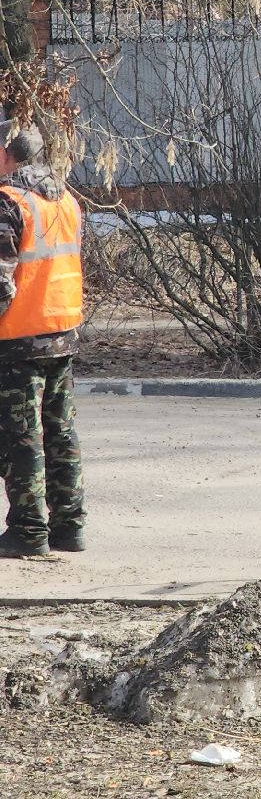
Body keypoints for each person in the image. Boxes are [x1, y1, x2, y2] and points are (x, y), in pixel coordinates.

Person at [0, 120, 84, 558]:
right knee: (60, 431)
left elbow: (1, 282)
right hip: (62, 332)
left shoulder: (9, 202)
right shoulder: (65, 199)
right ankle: (69, 527)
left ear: (7, 156)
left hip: (18, 338)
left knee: (22, 437)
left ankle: (29, 531)